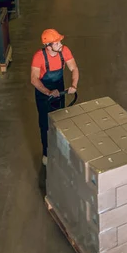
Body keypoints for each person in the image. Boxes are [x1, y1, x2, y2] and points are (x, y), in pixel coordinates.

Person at [31, 29, 79, 166]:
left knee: (60, 121)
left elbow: (74, 68)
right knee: (45, 124)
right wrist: (48, 92)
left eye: (60, 41)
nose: (60, 44)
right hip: (43, 94)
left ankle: (59, 149)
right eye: (57, 42)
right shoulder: (39, 57)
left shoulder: (64, 51)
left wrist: (73, 85)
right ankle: (46, 153)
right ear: (48, 46)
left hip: (59, 89)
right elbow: (34, 79)